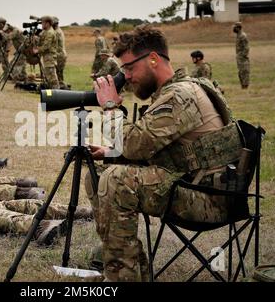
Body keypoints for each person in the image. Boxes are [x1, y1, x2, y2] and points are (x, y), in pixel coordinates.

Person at [86, 25, 243, 281]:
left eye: (129, 68)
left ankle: (122, 277)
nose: (126, 77)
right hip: (193, 183)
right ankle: (129, 267)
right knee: (96, 177)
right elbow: (157, 147)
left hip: (209, 199)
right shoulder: (176, 90)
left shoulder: (180, 95)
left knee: (116, 180)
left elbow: (134, 144)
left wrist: (110, 107)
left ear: (153, 59)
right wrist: (111, 152)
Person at [32, 16, 59, 90]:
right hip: (46, 57)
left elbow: (46, 46)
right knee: (48, 76)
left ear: (47, 23)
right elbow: (41, 40)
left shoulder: (50, 32)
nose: (42, 25)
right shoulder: (45, 31)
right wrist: (35, 38)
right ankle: (51, 93)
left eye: (43, 23)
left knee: (52, 77)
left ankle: (57, 93)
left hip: (50, 57)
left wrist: (37, 50)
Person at [233, 22, 250, 89]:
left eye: (235, 27)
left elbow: (246, 47)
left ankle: (245, 86)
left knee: (244, 71)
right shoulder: (238, 35)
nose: (233, 29)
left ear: (238, 28)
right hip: (239, 57)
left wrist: (243, 55)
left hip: (243, 58)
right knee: (240, 72)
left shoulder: (243, 36)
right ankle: (243, 85)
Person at [52, 17, 67, 88]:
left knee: (58, 74)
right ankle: (61, 88)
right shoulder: (59, 30)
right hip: (61, 54)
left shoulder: (56, 32)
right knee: (59, 74)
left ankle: (61, 89)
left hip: (59, 55)